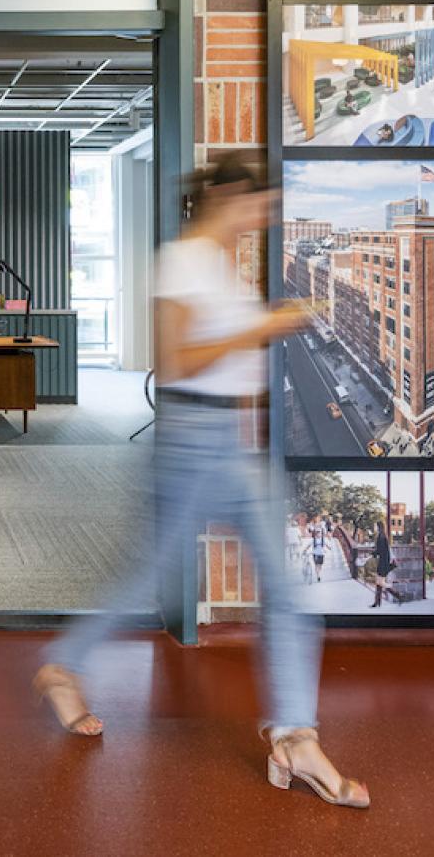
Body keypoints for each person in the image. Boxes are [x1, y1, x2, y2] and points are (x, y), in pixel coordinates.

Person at [35, 152, 368, 808]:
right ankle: (62, 664)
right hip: (193, 439)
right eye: (256, 204)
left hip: (232, 441)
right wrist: (264, 325)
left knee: (288, 594)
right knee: (151, 577)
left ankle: (296, 738)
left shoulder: (220, 262)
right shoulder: (183, 259)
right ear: (225, 198)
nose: (262, 216)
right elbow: (178, 360)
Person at [367, 521, 397, 608]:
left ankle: (397, 595)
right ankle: (377, 602)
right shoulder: (383, 536)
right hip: (384, 562)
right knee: (379, 583)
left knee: (380, 583)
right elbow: (383, 549)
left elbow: (380, 550)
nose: (374, 528)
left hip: (383, 562)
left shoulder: (381, 536)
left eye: (375, 526)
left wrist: (373, 553)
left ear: (378, 527)